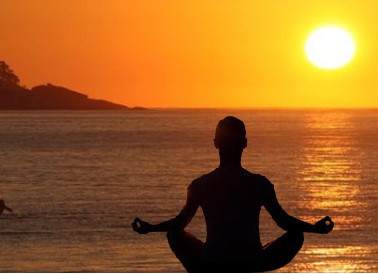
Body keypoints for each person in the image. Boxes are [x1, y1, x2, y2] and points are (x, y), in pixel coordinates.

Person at [132, 116, 334, 272]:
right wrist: (314, 228)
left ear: (216, 143)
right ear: (244, 143)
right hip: (253, 262)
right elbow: (284, 222)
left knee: (174, 235)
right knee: (296, 235)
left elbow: (179, 224)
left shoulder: (200, 185)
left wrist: (150, 228)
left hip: (212, 263)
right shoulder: (259, 183)